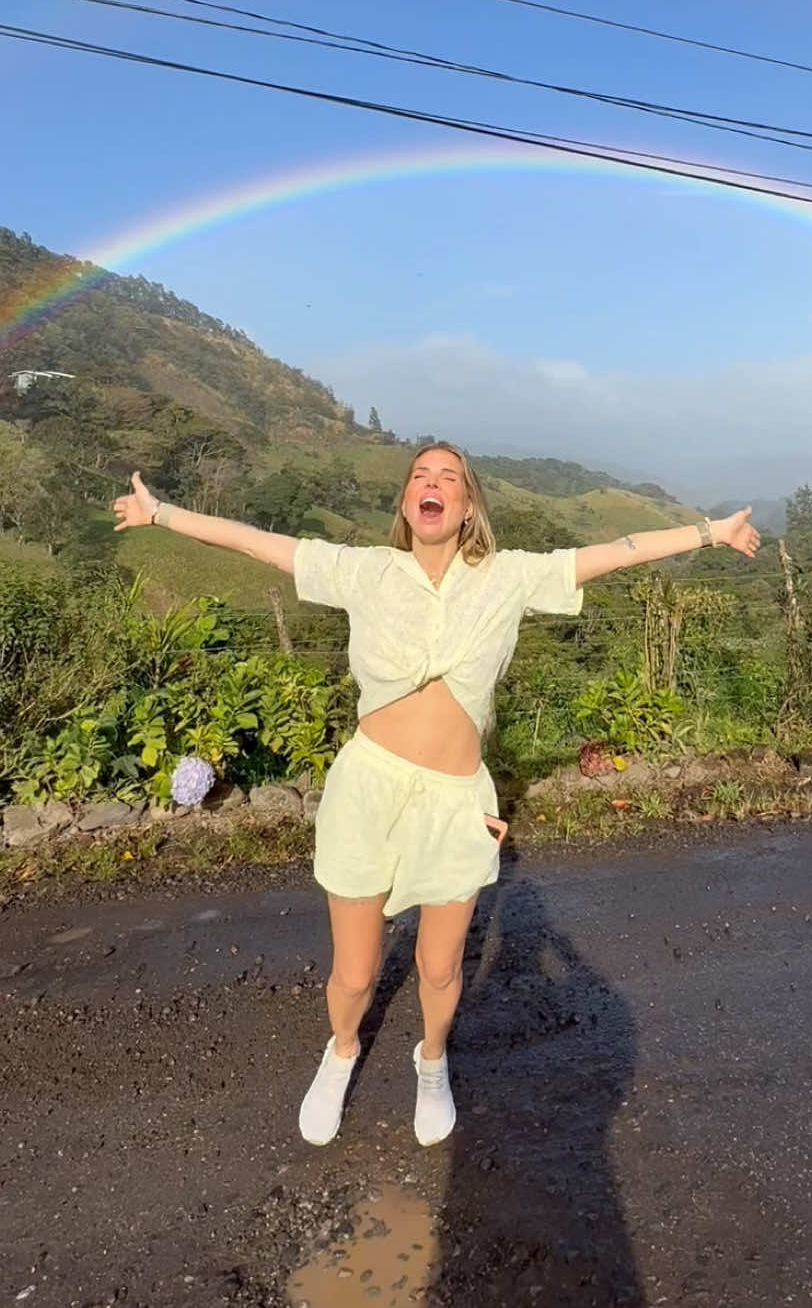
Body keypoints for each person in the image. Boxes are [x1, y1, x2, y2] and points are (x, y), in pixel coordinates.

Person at [113, 444, 759, 1149]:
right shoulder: (365, 570)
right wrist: (160, 513)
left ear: (468, 506)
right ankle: (342, 1050)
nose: (433, 483)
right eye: (421, 475)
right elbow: (262, 544)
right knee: (355, 973)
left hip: (455, 799)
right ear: (405, 502)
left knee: (441, 964)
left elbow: (615, 549)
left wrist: (710, 530)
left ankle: (431, 1058)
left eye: (449, 477)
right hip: (368, 789)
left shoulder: (508, 577)